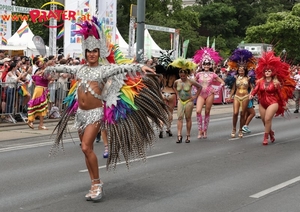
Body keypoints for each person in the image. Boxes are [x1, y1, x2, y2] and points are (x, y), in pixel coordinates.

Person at [45, 17, 169, 202]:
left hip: (96, 114)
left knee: (87, 146)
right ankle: (93, 182)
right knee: (85, 150)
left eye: (95, 51)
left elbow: (123, 68)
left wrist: (140, 66)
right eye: (89, 51)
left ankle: (97, 183)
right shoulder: (80, 70)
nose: (92, 54)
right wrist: (48, 69)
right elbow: (64, 67)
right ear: (85, 53)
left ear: (99, 52)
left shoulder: (104, 70)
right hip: (80, 115)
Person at [249, 51, 295, 145]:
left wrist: (283, 104)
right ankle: (271, 133)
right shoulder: (260, 82)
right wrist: (251, 95)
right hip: (262, 102)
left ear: (272, 72)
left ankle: (265, 138)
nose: (267, 72)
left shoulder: (276, 83)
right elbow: (255, 90)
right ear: (263, 72)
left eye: (269, 71)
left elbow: (280, 95)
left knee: (267, 119)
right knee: (263, 121)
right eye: (265, 71)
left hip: (273, 103)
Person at [193, 47, 224, 139]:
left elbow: (222, 82)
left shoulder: (213, 74)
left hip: (210, 94)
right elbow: (192, 83)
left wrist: (217, 89)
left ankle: (205, 130)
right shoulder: (198, 74)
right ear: (202, 64)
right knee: (198, 111)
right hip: (201, 94)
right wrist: (195, 90)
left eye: (208, 64)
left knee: (207, 112)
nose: (206, 65)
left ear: (210, 65)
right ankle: (199, 130)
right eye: (205, 64)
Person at [225, 49, 256, 138]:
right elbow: (233, 89)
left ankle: (240, 129)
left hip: (245, 96)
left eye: (243, 69)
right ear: (237, 70)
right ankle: (234, 128)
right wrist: (229, 96)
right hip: (237, 96)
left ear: (245, 69)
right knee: (235, 113)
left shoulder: (249, 78)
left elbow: (253, 88)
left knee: (243, 113)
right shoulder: (235, 78)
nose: (241, 70)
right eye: (239, 69)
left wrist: (251, 94)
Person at [171, 58, 202, 143]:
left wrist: (195, 96)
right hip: (181, 101)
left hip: (189, 101)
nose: (182, 76)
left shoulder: (191, 81)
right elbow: (174, 87)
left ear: (187, 74)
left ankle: (188, 135)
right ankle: (179, 135)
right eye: (181, 75)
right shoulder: (177, 82)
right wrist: (177, 95)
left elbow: (200, 87)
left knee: (188, 118)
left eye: (184, 75)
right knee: (179, 118)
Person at [155, 50, 176, 138]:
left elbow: (158, 84)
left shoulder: (162, 75)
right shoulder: (174, 75)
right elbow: (176, 85)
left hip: (163, 92)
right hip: (171, 93)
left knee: (162, 112)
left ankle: (161, 128)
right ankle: (168, 128)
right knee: (170, 112)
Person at [27, 59, 53, 130]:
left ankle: (39, 124)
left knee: (41, 107)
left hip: (40, 89)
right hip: (40, 90)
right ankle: (31, 121)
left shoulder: (39, 72)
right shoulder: (43, 72)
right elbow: (49, 78)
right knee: (39, 106)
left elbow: (34, 81)